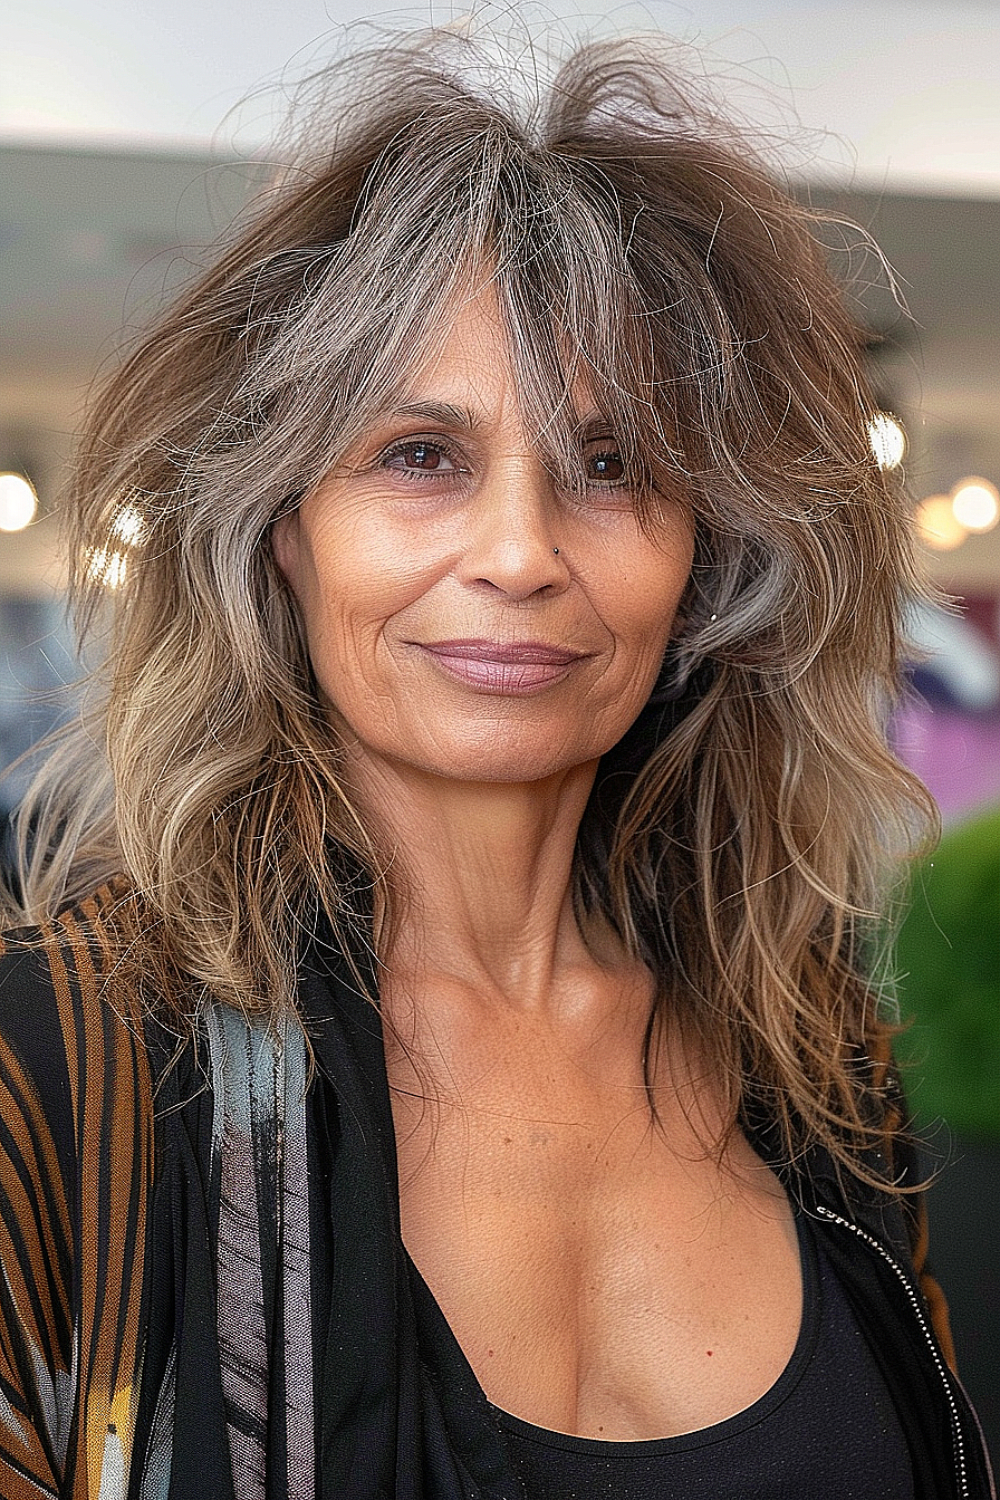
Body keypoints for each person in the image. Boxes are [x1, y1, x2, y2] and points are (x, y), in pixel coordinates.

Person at [0, 28, 992, 1500]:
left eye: (613, 466)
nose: (522, 556)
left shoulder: (820, 1060)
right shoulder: (60, 1063)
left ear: (702, 553)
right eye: (420, 454)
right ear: (287, 528)